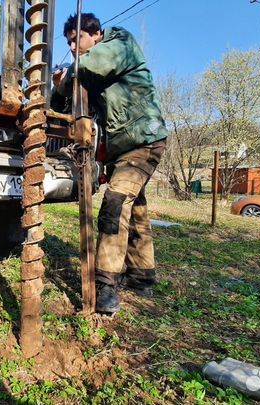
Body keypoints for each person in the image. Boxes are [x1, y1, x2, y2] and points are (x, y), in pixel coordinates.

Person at [52, 13, 168, 314]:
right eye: (69, 43)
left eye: (77, 39)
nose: (74, 47)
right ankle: (142, 276)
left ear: (97, 33)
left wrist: (65, 77)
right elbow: (70, 101)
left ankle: (105, 284)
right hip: (122, 150)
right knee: (135, 209)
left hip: (144, 142)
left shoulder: (120, 43)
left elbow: (90, 65)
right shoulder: (94, 67)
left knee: (115, 203)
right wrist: (57, 94)